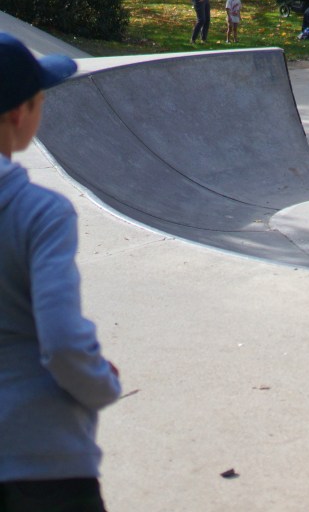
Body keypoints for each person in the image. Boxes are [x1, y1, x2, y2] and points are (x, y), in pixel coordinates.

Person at [0, 32, 122, 510]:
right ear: (18, 113)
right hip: (41, 463)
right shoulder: (39, 212)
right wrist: (101, 382)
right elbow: (64, 343)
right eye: (41, 99)